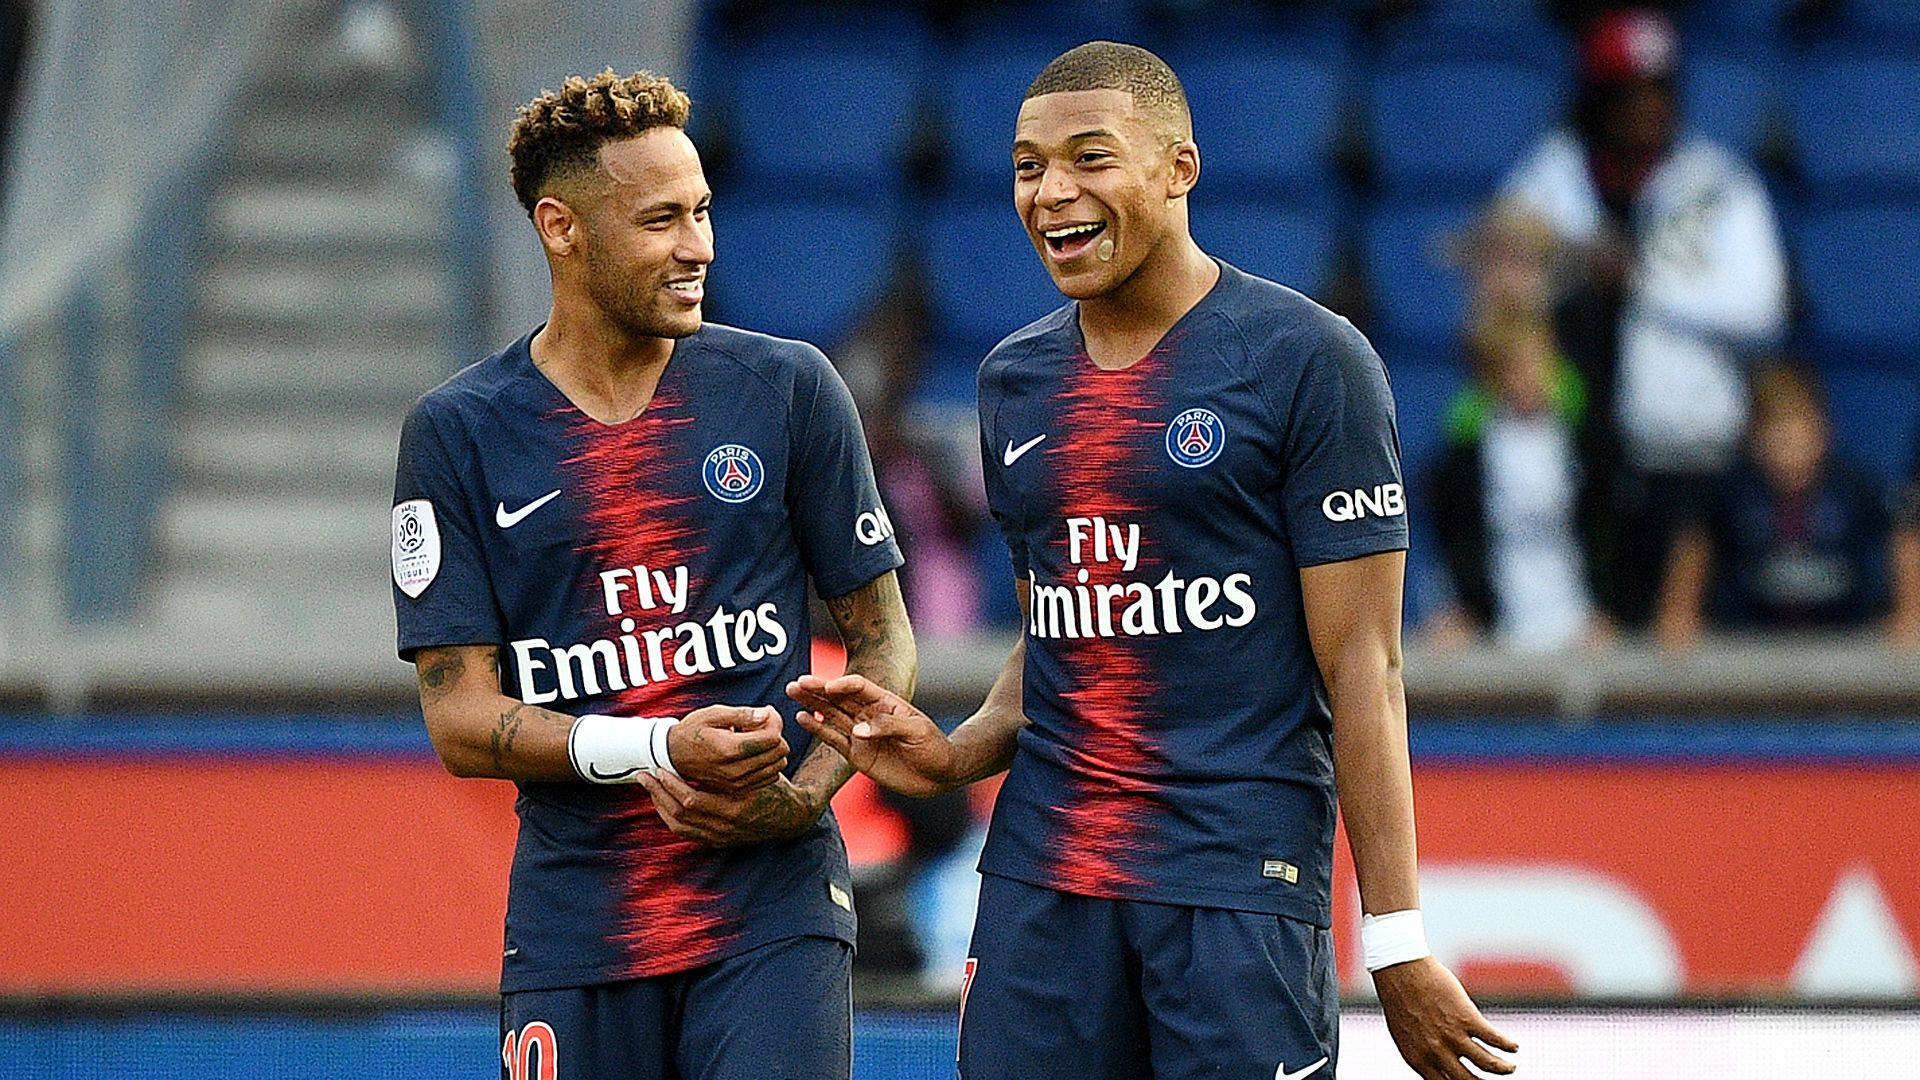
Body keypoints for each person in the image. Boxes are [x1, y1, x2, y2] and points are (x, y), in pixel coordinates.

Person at [792, 41, 1516, 1080]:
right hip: (1044, 881)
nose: (1052, 192)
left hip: (1235, 885)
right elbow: (1062, 629)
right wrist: (957, 754)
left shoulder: (1306, 361)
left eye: (1089, 158)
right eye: (1028, 167)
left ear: (1180, 169)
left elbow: (1365, 665)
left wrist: (1396, 937)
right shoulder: (1015, 381)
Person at [389, 69, 915, 1079]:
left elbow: (884, 640)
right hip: (579, 927)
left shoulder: (788, 389)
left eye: (703, 211)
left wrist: (805, 795)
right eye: (662, 220)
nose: (700, 246)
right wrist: (659, 746)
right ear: (562, 229)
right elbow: (458, 719)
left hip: (772, 911)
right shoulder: (460, 433)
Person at [1498, 8, 1788, 627]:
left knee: (1684, 641)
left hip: (1689, 454)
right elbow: (1503, 272)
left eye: (1660, 89)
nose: (1649, 107)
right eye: (1631, 93)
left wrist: (1642, 282)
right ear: (1598, 99)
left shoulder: (1715, 183)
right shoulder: (1554, 174)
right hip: (1576, 452)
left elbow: (1761, 307)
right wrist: (1564, 268)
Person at [1653, 362, 1905, 651]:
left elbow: (1902, 533)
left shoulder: (1855, 486)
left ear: (1823, 434)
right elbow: (1695, 541)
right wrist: (1679, 611)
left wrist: (1910, 611)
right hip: (1749, 639)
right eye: (1778, 443)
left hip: (1842, 636)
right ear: (1753, 440)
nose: (1790, 457)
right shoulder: (1732, 487)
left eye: (1799, 442)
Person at [1424, 308, 1611, 653]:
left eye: (1539, 364)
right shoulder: (1469, 455)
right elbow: (1459, 539)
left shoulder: (1582, 445)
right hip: (1499, 610)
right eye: (1517, 368)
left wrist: (1605, 607)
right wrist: (1468, 608)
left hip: (1573, 609)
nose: (1529, 378)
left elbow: (1599, 529)